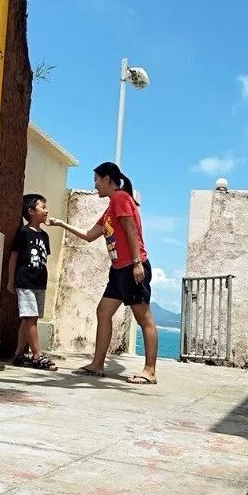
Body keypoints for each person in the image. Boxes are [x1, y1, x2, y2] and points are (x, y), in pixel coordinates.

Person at [48, 162, 158, 384]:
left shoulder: (120, 198)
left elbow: (131, 230)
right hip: (117, 270)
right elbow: (89, 235)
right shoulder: (110, 208)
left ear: (108, 179)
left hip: (132, 267)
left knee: (143, 318)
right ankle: (97, 365)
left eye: (97, 180)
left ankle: (150, 371)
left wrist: (137, 263)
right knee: (103, 312)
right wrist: (62, 224)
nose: (95, 185)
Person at [8, 193, 58, 371]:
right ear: (31, 211)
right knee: (30, 317)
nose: (46, 211)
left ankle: (19, 354)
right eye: (42, 207)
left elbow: (44, 259)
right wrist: (10, 280)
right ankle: (37, 354)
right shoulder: (23, 232)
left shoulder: (45, 236)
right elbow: (14, 256)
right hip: (25, 281)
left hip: (39, 283)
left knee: (30, 319)